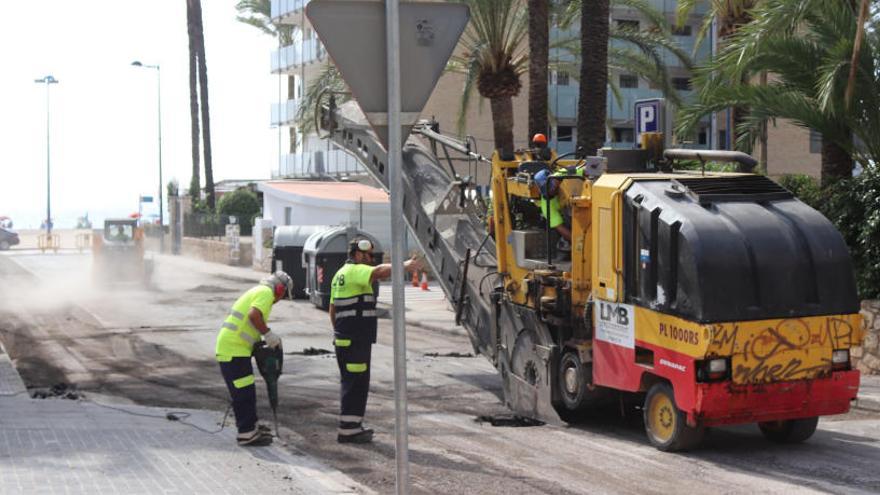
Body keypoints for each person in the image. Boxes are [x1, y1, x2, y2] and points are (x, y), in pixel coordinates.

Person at [329, 238, 419, 444]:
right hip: (356, 340)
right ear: (358, 255)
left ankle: (350, 426)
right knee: (357, 385)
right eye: (368, 255)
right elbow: (379, 271)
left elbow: (332, 309)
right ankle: (349, 429)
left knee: (350, 383)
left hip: (345, 340)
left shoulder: (339, 275)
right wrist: (404, 265)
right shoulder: (354, 271)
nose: (370, 259)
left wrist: (340, 333)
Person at [215, 271, 293, 446]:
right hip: (233, 351)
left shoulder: (258, 291)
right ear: (280, 289)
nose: (279, 300)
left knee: (246, 391)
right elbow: (253, 316)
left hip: (235, 350)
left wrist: (259, 342)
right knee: (243, 393)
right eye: (283, 295)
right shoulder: (266, 292)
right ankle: (246, 433)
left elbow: (248, 324)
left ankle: (251, 426)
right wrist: (268, 333)